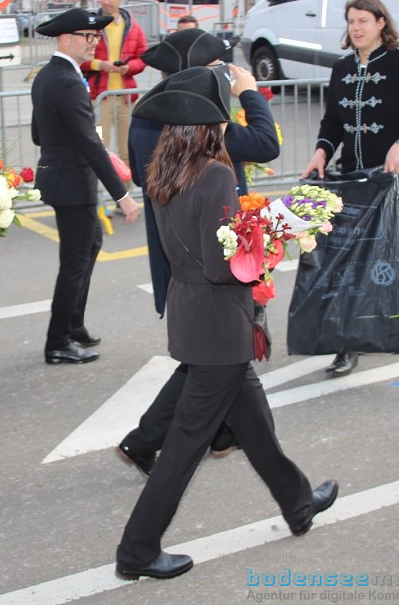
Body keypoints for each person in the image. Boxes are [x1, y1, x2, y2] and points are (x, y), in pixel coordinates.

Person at [114, 66, 338, 581]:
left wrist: (254, 227)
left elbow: (194, 250)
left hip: (197, 317)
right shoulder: (213, 174)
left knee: (255, 427)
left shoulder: (164, 170)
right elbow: (224, 264)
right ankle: (136, 550)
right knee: (183, 449)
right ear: (212, 122)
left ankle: (298, 503)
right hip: (219, 326)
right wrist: (275, 235)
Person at [118, 29, 280, 477]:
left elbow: (138, 170)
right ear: (206, 72)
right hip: (216, 254)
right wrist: (250, 94)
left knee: (211, 359)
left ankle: (226, 437)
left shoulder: (148, 113)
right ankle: (155, 441)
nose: (228, 76)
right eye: (223, 69)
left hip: (176, 249)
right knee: (221, 353)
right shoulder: (202, 122)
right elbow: (267, 143)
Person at [300, 0, 399, 376]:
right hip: (350, 182)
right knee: (354, 261)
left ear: (381, 22)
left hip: (392, 183)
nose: (356, 28)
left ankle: (385, 333)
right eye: (351, 21)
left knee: (374, 258)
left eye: (363, 20)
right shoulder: (341, 69)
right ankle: (355, 339)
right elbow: (332, 123)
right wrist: (321, 153)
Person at [30, 8, 141, 365]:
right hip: (71, 184)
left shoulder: (51, 74)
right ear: (66, 39)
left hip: (65, 177)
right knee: (74, 263)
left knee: (90, 243)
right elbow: (88, 144)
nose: (96, 43)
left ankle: (74, 325)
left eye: (96, 37)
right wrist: (122, 195)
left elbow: (37, 133)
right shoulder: (65, 80)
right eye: (89, 37)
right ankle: (57, 342)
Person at [89, 0, 147, 163]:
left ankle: (126, 190)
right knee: (99, 148)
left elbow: (143, 57)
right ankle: (99, 192)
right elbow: (81, 59)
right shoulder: (91, 26)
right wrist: (100, 65)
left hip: (125, 98)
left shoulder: (134, 28)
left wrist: (129, 68)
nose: (105, 2)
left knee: (127, 150)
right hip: (100, 98)